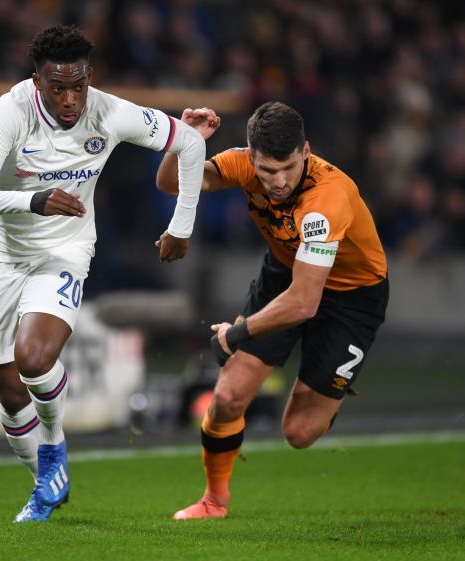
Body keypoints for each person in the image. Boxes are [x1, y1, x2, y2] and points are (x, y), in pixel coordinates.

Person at [0, 24, 206, 522]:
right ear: (37, 81)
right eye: (58, 88)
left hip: (64, 249)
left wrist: (181, 226)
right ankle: (47, 478)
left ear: (89, 77)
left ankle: (52, 450)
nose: (70, 99)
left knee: (33, 357)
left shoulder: (110, 111)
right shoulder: (11, 111)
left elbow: (191, 143)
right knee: (6, 385)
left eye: (79, 85)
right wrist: (34, 200)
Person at [156, 101, 388, 520]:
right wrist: (183, 143)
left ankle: (327, 385)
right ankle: (213, 502)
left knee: (299, 433)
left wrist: (237, 334)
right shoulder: (241, 165)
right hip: (286, 274)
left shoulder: (327, 198)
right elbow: (172, 184)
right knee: (226, 398)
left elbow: (305, 302)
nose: (278, 182)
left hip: (352, 297)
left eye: (289, 168)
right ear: (251, 157)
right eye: (267, 171)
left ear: (306, 151)